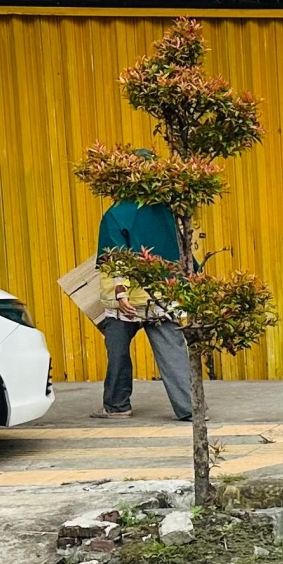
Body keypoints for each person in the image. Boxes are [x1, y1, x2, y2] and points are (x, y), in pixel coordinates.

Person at [94, 178, 193, 422]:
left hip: (126, 302)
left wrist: (121, 292)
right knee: (174, 352)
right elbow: (185, 253)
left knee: (117, 352)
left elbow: (116, 257)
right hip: (164, 298)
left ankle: (117, 406)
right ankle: (190, 408)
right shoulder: (169, 213)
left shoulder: (116, 214)